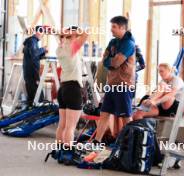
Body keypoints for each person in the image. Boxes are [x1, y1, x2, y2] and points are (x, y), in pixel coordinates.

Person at [93, 16, 136, 143]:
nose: (111, 30)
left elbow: (116, 62)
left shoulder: (129, 43)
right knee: (104, 114)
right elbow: (104, 60)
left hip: (124, 85)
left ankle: (132, 144)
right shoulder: (113, 42)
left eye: (114, 27)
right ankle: (96, 142)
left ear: (122, 28)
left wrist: (110, 60)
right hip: (111, 84)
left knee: (126, 117)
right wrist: (110, 60)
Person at [55, 26, 88, 155]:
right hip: (73, 89)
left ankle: (59, 152)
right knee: (70, 127)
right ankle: (67, 155)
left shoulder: (59, 49)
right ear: (72, 36)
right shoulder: (72, 47)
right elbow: (86, 33)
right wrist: (74, 32)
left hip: (63, 88)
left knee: (62, 124)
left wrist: (66, 34)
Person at [22, 26, 48, 106]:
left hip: (31, 72)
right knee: (37, 95)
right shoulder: (32, 41)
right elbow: (34, 54)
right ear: (38, 32)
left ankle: (31, 112)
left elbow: (34, 56)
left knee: (33, 95)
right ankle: (36, 113)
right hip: (31, 72)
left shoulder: (33, 42)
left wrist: (43, 53)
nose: (42, 35)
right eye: (42, 33)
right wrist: (43, 49)